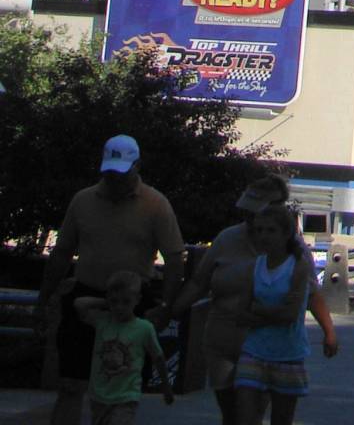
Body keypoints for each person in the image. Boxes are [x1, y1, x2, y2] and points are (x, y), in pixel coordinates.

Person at [40, 136, 187, 425]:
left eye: (122, 174)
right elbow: (62, 252)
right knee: (70, 384)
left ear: (137, 166)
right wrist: (44, 299)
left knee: (120, 392)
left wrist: (166, 306)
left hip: (131, 304)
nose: (115, 180)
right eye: (109, 174)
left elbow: (173, 258)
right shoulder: (83, 200)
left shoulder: (156, 204)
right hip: (86, 299)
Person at [169, 172, 334, 425]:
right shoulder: (227, 238)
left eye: (256, 213)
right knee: (231, 415)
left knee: (252, 415)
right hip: (222, 339)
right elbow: (199, 283)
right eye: (247, 213)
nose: (250, 220)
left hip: (267, 346)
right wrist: (169, 311)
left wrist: (329, 332)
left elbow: (311, 295)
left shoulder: (295, 252)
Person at [234, 205, 313, 425]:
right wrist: (270, 315)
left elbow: (289, 314)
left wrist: (259, 312)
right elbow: (241, 312)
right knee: (244, 418)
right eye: (259, 230)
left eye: (270, 230)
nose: (263, 236)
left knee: (281, 419)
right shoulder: (255, 266)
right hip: (254, 351)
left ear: (286, 233)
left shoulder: (298, 266)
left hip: (287, 353)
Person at [73, 269, 173, 422]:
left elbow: (158, 357)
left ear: (137, 300)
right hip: (99, 393)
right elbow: (79, 304)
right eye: (115, 302)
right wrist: (105, 303)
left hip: (126, 394)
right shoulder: (102, 321)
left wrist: (166, 388)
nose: (120, 307)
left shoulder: (144, 328)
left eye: (126, 302)